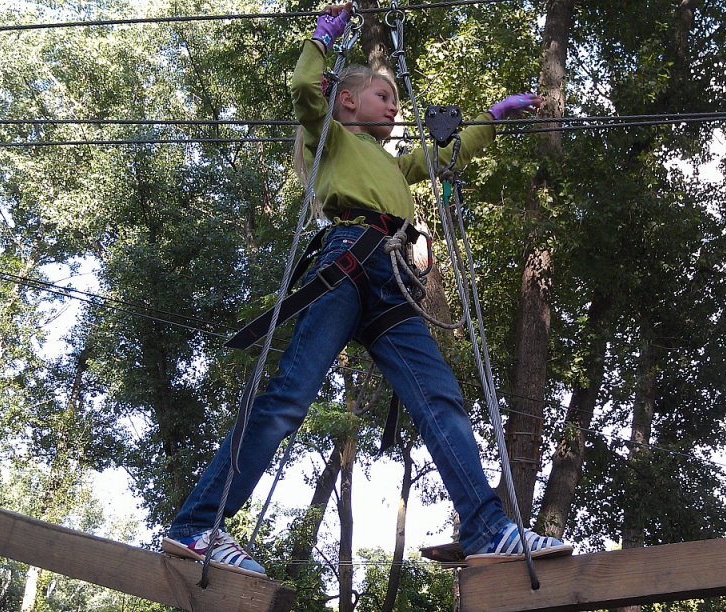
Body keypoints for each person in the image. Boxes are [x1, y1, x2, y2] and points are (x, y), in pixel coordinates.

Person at [161, 3, 572, 577]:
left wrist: (491, 118)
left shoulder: (391, 164)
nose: (394, 105)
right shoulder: (330, 137)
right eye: (384, 95)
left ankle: (486, 528)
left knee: (441, 399)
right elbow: (305, 90)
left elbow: (442, 156)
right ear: (348, 101)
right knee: (289, 397)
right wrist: (321, 40)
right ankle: (197, 525)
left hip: (391, 278)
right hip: (349, 259)